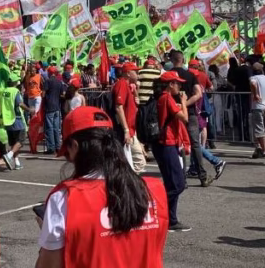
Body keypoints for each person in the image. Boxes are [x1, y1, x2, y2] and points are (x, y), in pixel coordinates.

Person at [35, 106, 168, 267]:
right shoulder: (154, 190)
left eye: (67, 152)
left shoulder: (64, 199)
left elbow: (49, 265)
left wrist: (48, 237)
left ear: (74, 147)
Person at [151, 71, 192, 232]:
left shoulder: (161, 97)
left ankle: (171, 220)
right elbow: (184, 118)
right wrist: (183, 102)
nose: (180, 86)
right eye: (177, 83)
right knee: (178, 184)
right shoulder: (167, 98)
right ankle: (152, 210)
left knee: (171, 183)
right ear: (170, 84)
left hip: (165, 143)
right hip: (166, 143)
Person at [170, 51, 209, 187]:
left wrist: (180, 105)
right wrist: (185, 104)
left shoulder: (167, 75)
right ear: (183, 60)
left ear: (171, 60)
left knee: (178, 144)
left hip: (173, 114)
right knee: (195, 143)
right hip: (190, 113)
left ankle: (182, 179)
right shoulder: (190, 75)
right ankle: (202, 176)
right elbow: (199, 93)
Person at [113, 62, 146, 174]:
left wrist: (136, 94)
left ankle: (127, 180)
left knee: (130, 161)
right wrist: (126, 130)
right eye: (135, 72)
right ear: (128, 73)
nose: (137, 74)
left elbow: (131, 108)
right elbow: (118, 107)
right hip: (126, 130)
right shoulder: (122, 84)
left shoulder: (127, 86)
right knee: (138, 161)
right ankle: (129, 181)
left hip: (130, 129)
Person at [42, 67, 68, 154]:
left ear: (49, 73)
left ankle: (51, 148)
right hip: (57, 107)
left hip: (49, 107)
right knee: (56, 128)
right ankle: (58, 146)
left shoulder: (47, 81)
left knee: (49, 128)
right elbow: (63, 94)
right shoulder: (59, 82)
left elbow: (43, 94)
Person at [249, 63, 265, 159]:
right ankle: (258, 148)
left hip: (257, 106)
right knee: (262, 128)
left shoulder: (253, 78)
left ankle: (264, 151)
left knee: (259, 129)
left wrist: (255, 94)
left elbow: (253, 84)